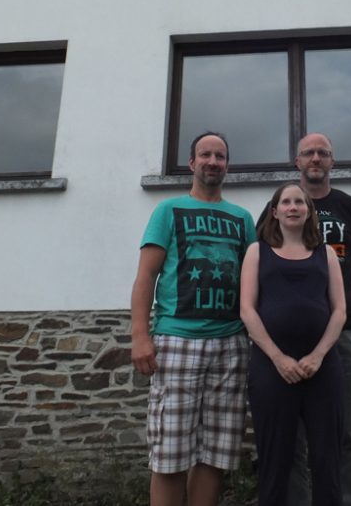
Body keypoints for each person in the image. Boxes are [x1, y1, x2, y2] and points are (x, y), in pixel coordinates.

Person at [131, 132, 256, 506]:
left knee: (215, 454)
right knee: (170, 455)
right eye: (206, 154)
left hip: (231, 344)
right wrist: (140, 335)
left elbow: (254, 279)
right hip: (176, 340)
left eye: (220, 156)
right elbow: (145, 277)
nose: (213, 161)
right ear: (192, 163)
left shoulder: (242, 218)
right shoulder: (167, 211)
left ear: (227, 165)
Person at [261, 133, 351, 506]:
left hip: (346, 330)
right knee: (290, 436)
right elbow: (263, 261)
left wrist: (328, 304)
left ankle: (348, 501)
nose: (315, 158)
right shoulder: (277, 207)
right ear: (297, 162)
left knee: (349, 431)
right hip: (288, 339)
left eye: (322, 153)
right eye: (308, 153)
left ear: (332, 162)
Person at [241, 182, 346, 506]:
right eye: (286, 202)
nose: (293, 207)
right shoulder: (257, 251)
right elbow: (247, 309)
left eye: (299, 202)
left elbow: (339, 310)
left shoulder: (325, 253)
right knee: (275, 458)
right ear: (275, 211)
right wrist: (277, 358)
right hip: (272, 369)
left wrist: (317, 355)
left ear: (308, 211)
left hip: (323, 368)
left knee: (327, 457)